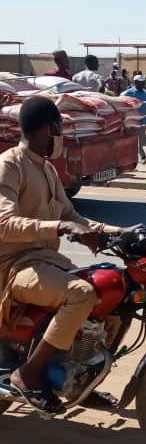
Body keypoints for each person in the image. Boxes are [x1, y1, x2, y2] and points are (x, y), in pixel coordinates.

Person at [0, 96, 129, 413]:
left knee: (115, 292)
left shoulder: (47, 170)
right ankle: (27, 374)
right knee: (81, 294)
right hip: (16, 267)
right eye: (59, 128)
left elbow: (76, 219)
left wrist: (120, 233)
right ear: (46, 128)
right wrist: (58, 228)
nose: (61, 137)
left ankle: (83, 379)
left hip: (47, 263)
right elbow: (4, 222)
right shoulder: (10, 165)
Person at [122, 74, 146, 164]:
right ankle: (141, 156)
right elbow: (121, 103)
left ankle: (139, 155)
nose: (142, 84)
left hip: (143, 120)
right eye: (140, 83)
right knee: (134, 139)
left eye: (143, 83)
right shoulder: (128, 93)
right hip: (132, 121)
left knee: (140, 140)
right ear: (135, 83)